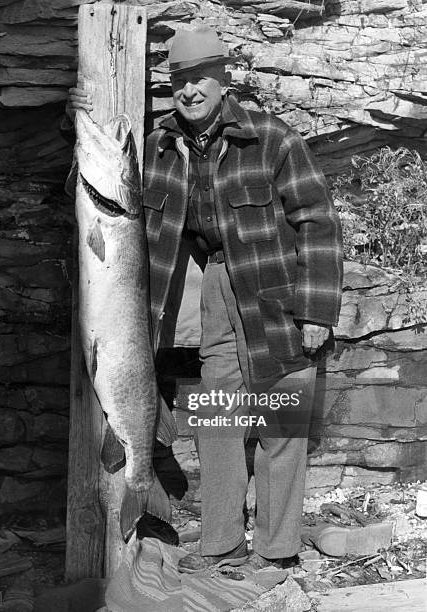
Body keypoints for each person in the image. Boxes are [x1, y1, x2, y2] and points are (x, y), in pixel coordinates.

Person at [66, 26, 343, 572]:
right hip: (215, 286)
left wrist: (315, 312)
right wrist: (73, 118)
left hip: (278, 289)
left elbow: (318, 222)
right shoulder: (161, 148)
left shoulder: (273, 139)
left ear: (224, 80)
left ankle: (277, 551)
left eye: (200, 78)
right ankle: (221, 544)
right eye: (180, 80)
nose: (190, 90)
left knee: (279, 428)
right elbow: (97, 190)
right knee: (218, 421)